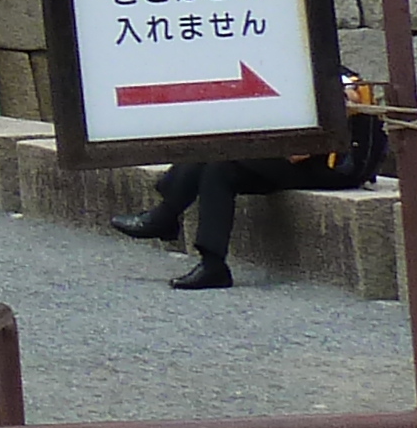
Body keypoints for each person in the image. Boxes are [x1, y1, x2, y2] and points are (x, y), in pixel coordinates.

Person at [110, 91, 392, 290]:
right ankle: (213, 265)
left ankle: (165, 216)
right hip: (295, 159)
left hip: (332, 168)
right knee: (220, 170)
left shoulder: (330, 76)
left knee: (222, 152)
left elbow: (299, 151)